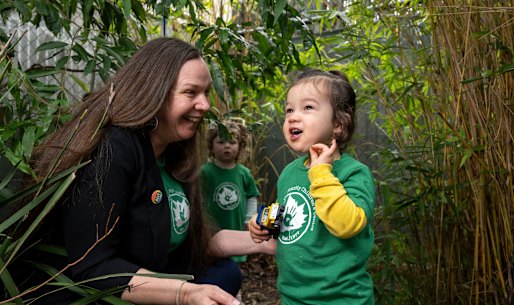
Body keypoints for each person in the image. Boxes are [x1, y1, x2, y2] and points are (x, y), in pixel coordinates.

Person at [17, 37, 275, 305]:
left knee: (225, 273)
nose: (206, 106)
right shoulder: (113, 149)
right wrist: (185, 294)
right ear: (154, 92)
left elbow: (192, 243)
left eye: (207, 92)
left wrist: (261, 242)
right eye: (190, 93)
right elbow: (93, 269)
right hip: (91, 293)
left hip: (151, 270)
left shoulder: (174, 154)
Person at [249, 68, 376, 305]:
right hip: (293, 296)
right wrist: (262, 223)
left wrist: (321, 173)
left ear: (338, 124)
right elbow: (288, 213)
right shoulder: (289, 173)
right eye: (289, 109)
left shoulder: (355, 174)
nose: (293, 117)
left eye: (307, 107)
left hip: (341, 299)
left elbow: (348, 225)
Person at [201, 120, 260, 263]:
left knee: (234, 263)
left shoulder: (244, 173)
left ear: (240, 147)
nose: (227, 146)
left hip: (236, 227)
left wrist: (248, 219)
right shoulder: (205, 172)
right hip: (212, 230)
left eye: (232, 142)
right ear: (211, 146)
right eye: (221, 142)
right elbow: (198, 199)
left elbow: (252, 197)